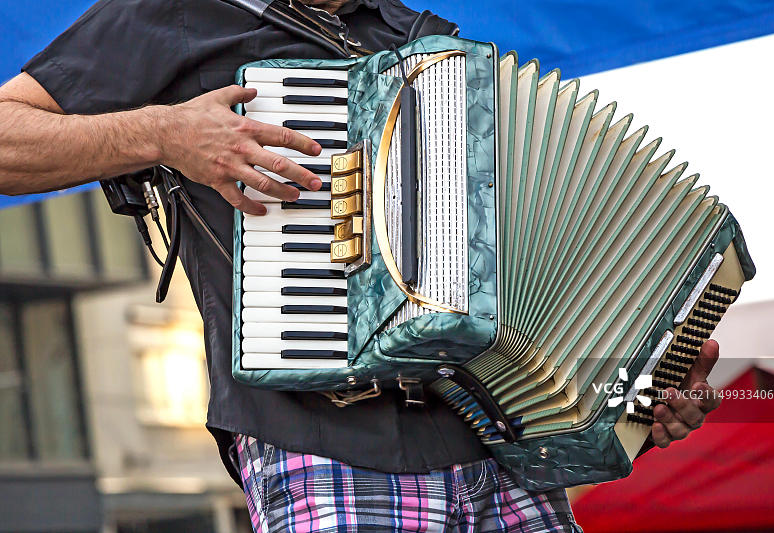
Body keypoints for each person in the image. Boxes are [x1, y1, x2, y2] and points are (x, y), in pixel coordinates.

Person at [0, 1, 724, 531]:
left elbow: (532, 278)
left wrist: (636, 392)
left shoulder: (425, 44)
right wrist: (165, 132)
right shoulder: (172, 16)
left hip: (493, 443)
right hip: (323, 438)